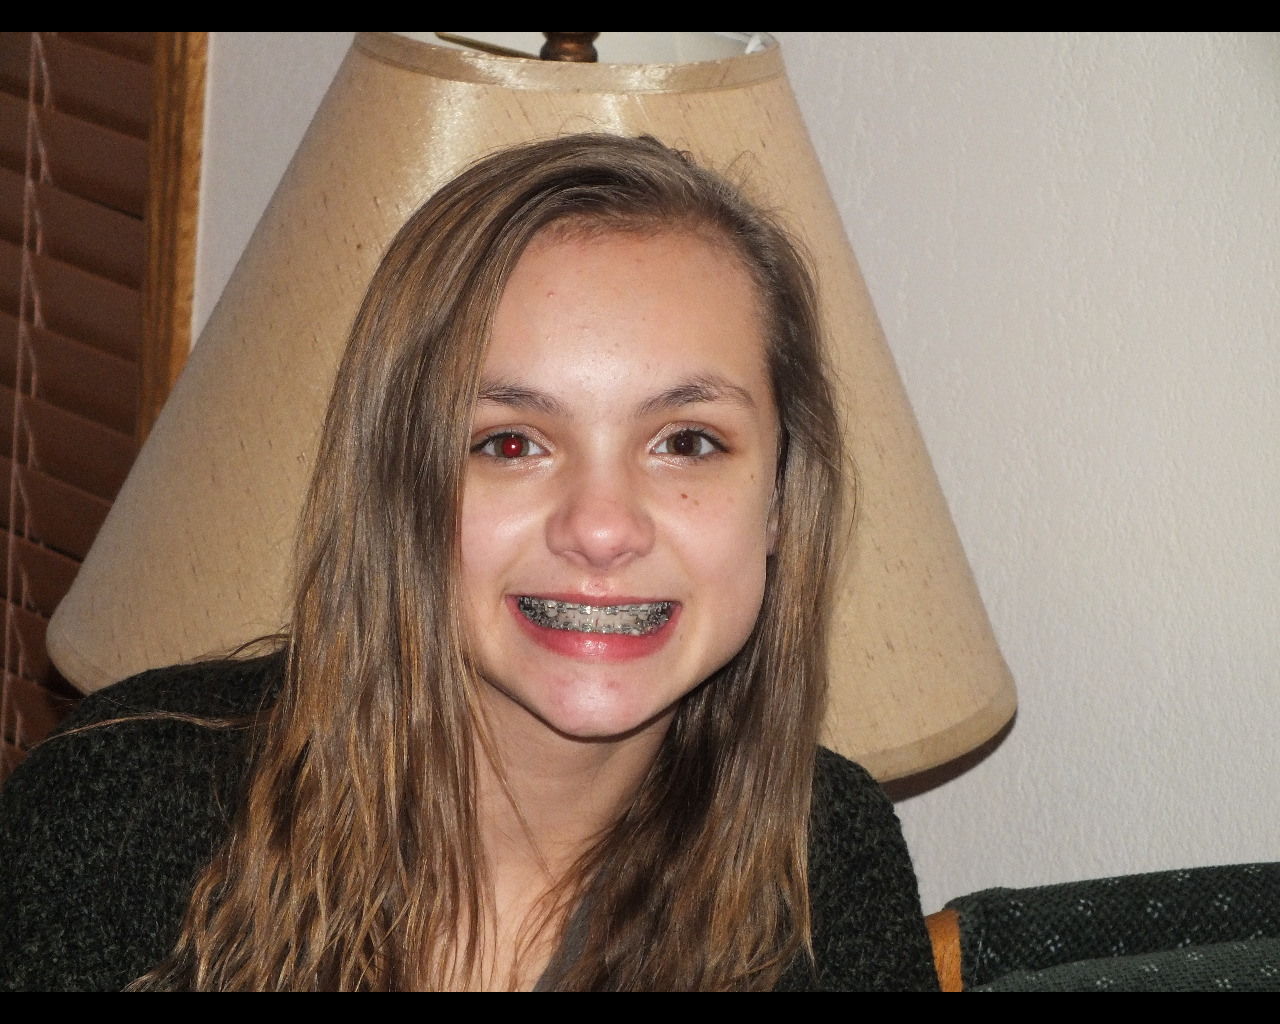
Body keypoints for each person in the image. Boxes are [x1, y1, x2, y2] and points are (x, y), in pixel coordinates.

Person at [0, 134, 939, 991]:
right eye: (510, 443)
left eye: (687, 442)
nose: (602, 529)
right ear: (399, 484)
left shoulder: (829, 867)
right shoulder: (119, 813)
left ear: (780, 498)